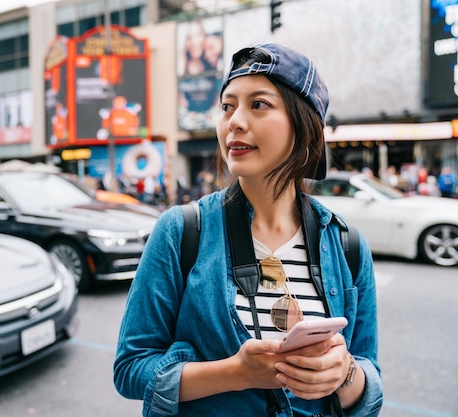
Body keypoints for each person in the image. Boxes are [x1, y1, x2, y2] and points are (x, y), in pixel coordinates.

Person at [114, 43, 383, 416]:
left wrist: (345, 373)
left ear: (305, 128)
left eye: (258, 104)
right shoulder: (180, 232)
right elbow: (130, 369)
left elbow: (369, 381)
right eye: (227, 106)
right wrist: (236, 374)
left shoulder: (347, 246)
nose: (235, 121)